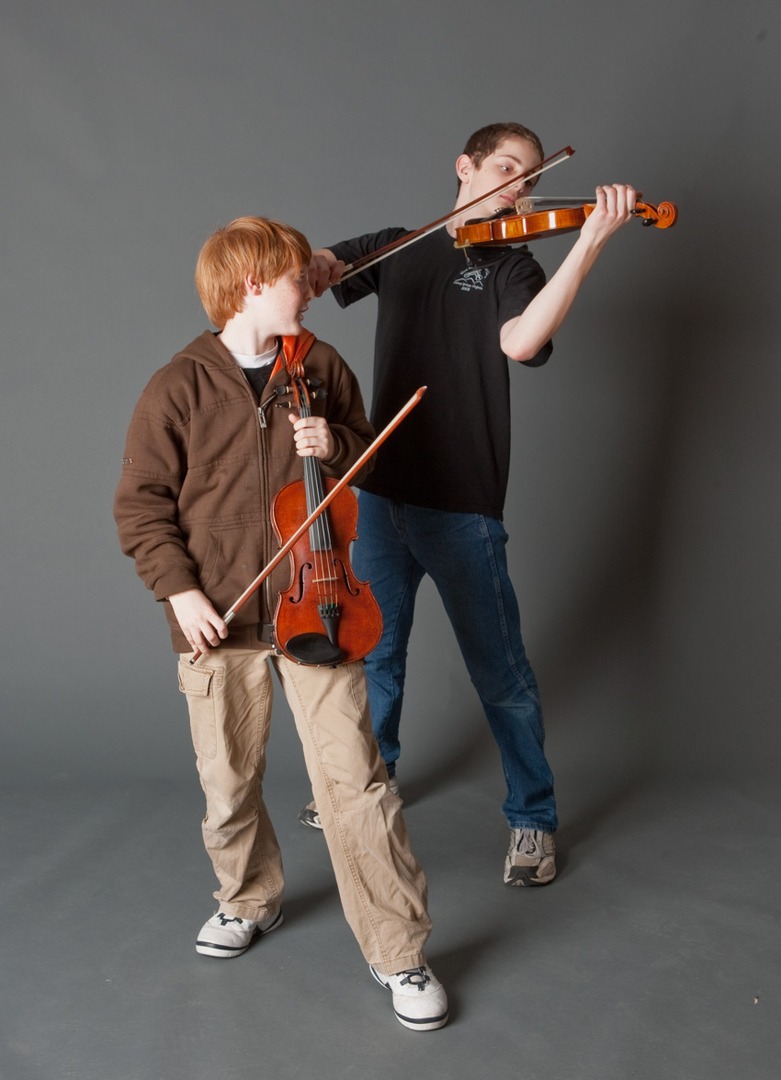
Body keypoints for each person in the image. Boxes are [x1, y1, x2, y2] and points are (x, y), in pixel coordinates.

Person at [113, 216, 448, 1032]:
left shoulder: (321, 366)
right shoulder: (178, 385)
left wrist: (332, 441)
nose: (315, 286)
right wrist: (179, 593)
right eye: (300, 276)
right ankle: (247, 899)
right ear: (254, 282)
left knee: (356, 784)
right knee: (227, 782)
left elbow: (371, 456)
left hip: (320, 599)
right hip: (218, 616)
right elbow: (140, 506)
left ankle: (399, 952)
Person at [300, 122, 637, 888]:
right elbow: (319, 272)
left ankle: (532, 819)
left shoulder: (512, 264)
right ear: (465, 167)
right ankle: (367, 779)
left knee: (501, 675)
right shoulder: (400, 244)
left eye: (525, 175)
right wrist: (294, 262)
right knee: (375, 654)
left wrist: (588, 242)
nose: (518, 185)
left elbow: (520, 343)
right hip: (380, 496)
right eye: (506, 168)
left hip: (461, 505)